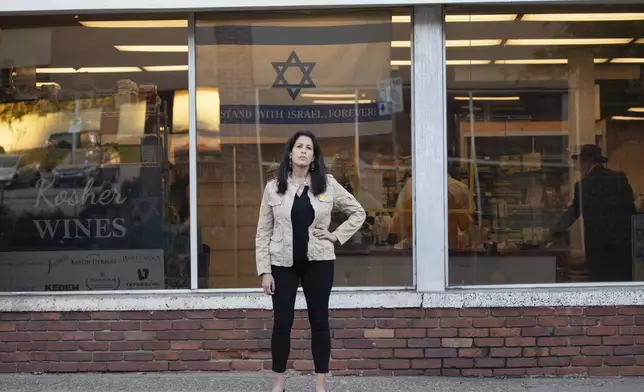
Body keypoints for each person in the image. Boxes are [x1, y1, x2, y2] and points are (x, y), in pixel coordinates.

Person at [256, 130, 366, 392]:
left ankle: (320, 384)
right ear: (290, 153)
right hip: (282, 265)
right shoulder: (273, 188)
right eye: (299, 146)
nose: (304, 151)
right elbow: (263, 231)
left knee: (319, 321)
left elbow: (357, 212)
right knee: (282, 323)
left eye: (309, 148)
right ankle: (280, 382)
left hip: (319, 263)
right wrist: (264, 271)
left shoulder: (327, 184)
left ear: (314, 157)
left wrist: (335, 236)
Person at [550, 144, 636, 282]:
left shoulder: (584, 185)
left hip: (598, 249)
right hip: (622, 247)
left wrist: (555, 231)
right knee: (622, 287)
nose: (578, 167)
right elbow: (631, 211)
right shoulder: (620, 179)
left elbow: (575, 210)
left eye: (579, 162)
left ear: (586, 162)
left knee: (600, 288)